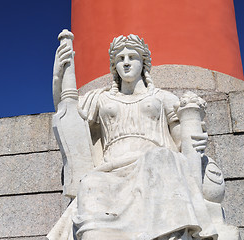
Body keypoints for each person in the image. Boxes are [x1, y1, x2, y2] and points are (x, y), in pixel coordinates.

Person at [50, 33, 222, 240]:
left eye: (132, 57)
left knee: (160, 158)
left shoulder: (162, 98)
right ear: (114, 67)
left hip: (154, 164)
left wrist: (195, 142)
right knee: (91, 183)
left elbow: (181, 141)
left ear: (144, 63)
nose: (126, 63)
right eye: (120, 59)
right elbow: (69, 114)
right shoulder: (101, 98)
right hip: (110, 168)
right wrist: (58, 77)